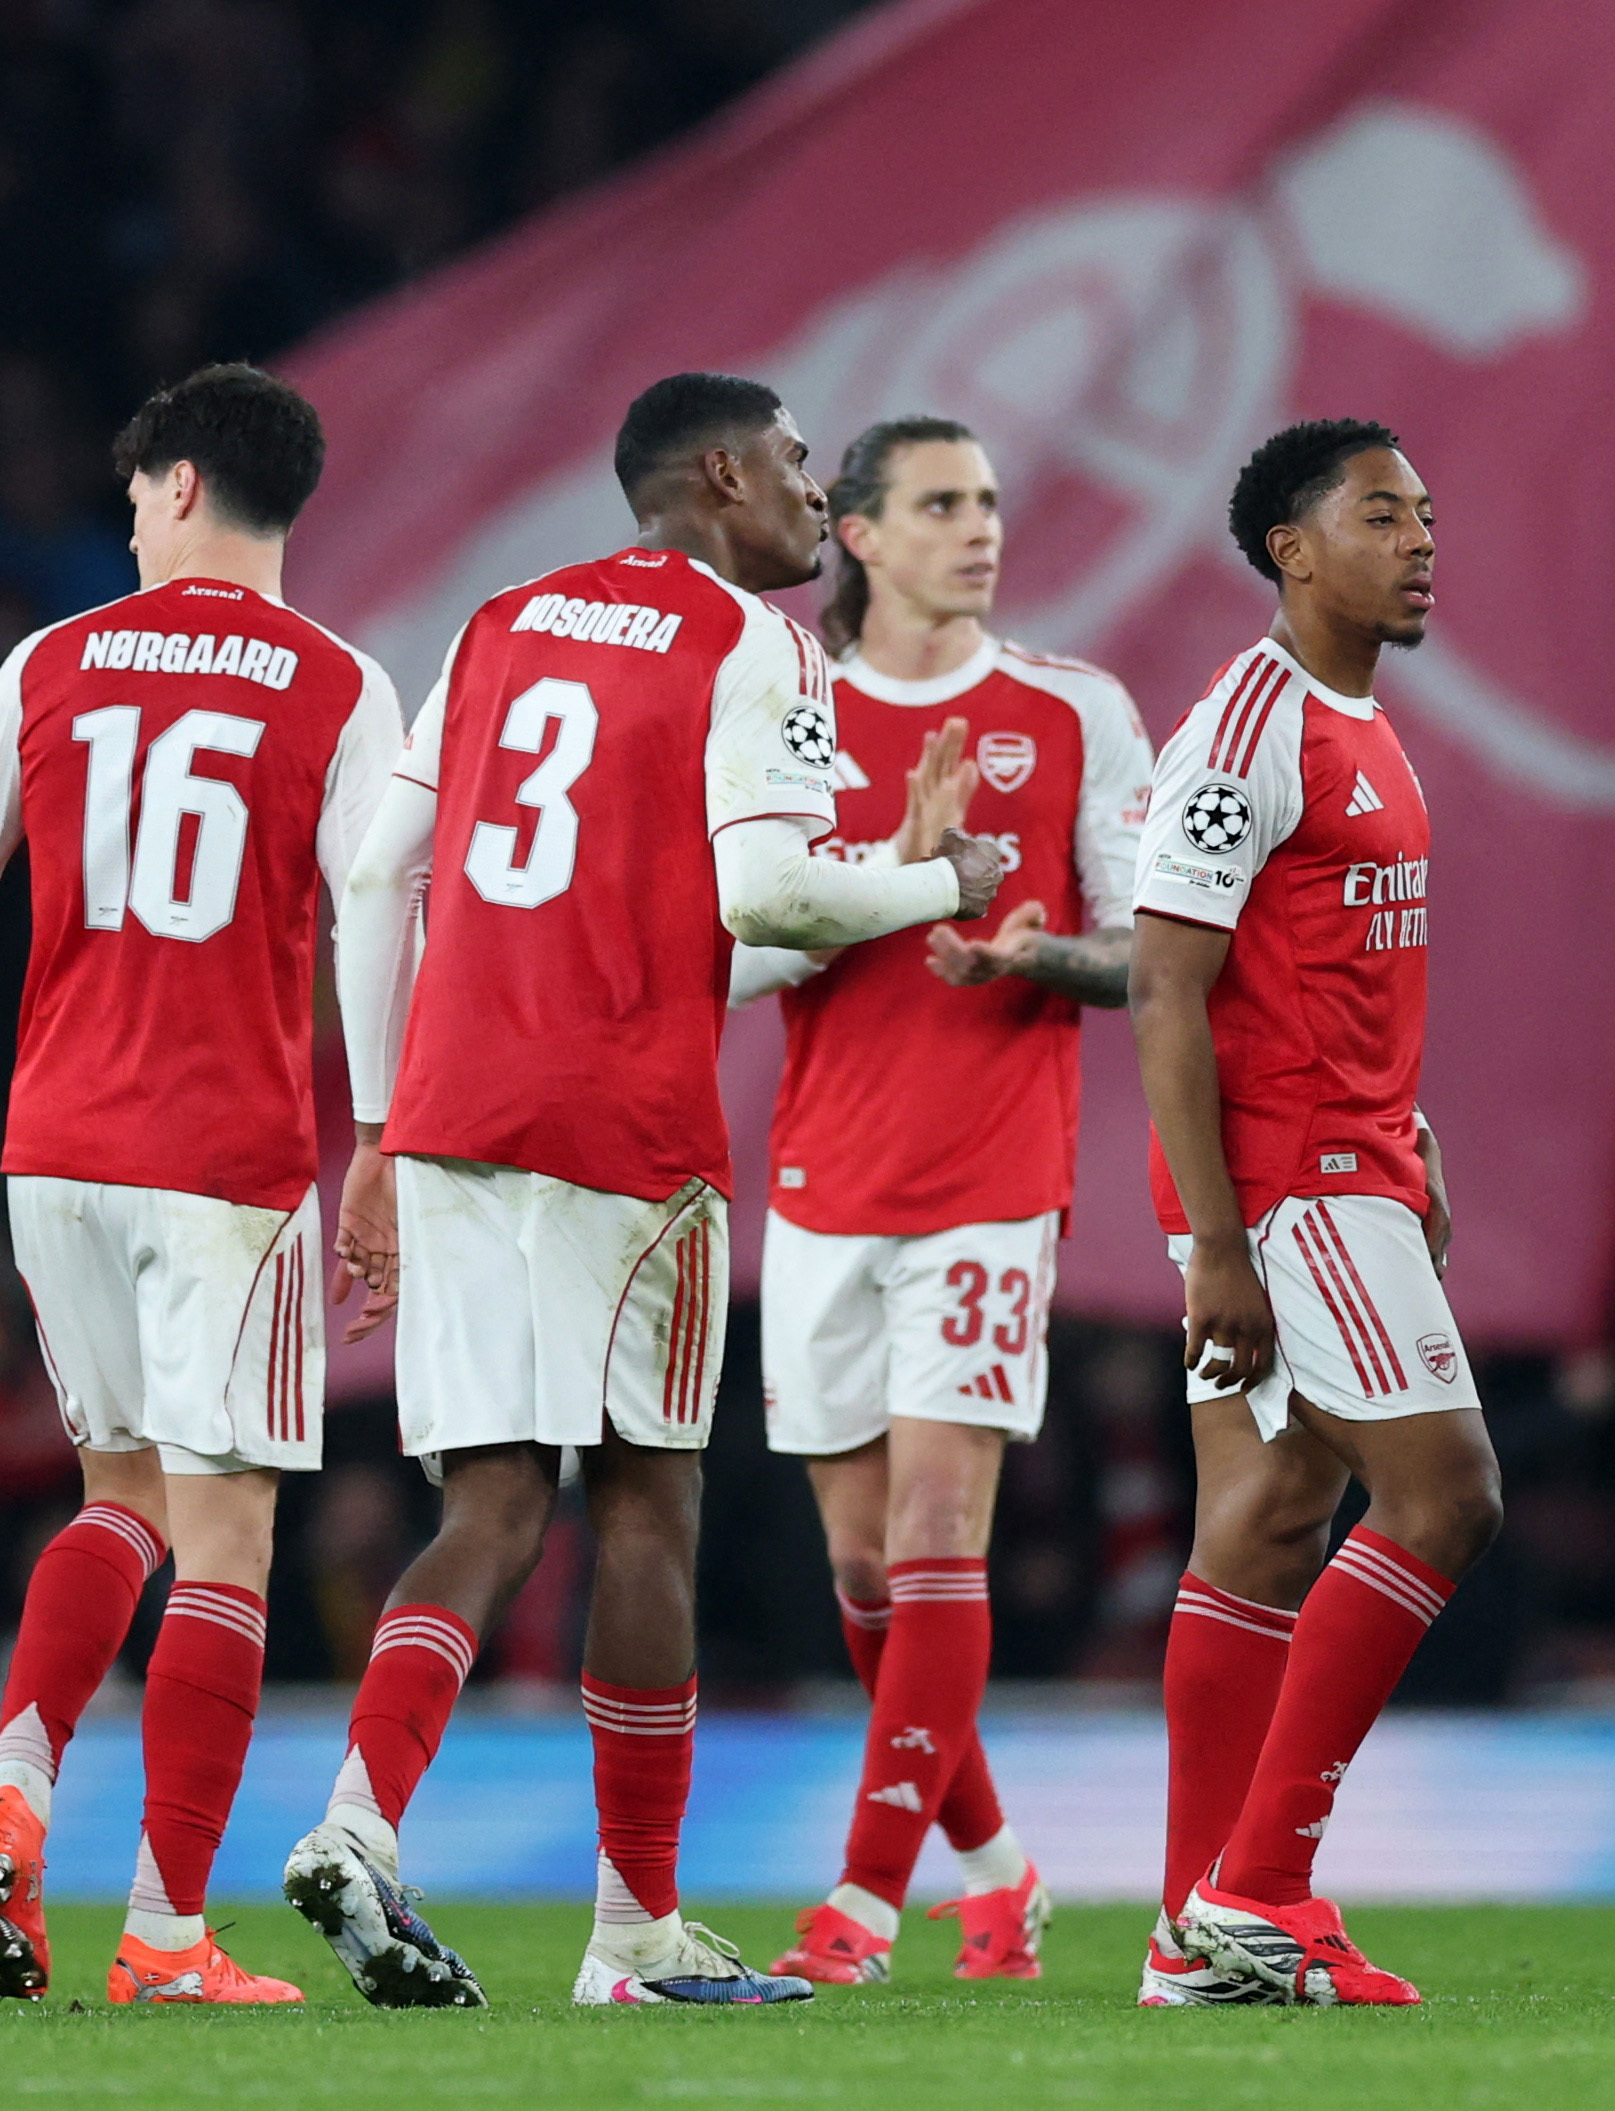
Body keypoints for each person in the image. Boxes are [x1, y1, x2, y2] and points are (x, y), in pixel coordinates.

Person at [278, 373, 1002, 2010]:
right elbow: (772, 892)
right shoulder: (757, 648)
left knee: (490, 1508)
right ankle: (637, 1936)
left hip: (459, 1114)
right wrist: (928, 878)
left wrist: (380, 1127)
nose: (821, 501)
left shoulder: (500, 621)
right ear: (722, 474)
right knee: (645, 1506)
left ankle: (357, 1821)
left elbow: (378, 871)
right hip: (622, 1138)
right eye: (805, 467)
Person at [0, 363, 400, 2006]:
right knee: (229, 1540)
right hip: (223, 1162)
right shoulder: (338, 683)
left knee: (116, 1494)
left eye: (132, 496)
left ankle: (18, 1787)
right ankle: (168, 1935)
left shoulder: (50, 661)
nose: (124, 523)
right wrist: (386, 1138)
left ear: (182, 484)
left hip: (54, 1153)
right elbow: (377, 916)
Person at [730, 416, 1153, 1986]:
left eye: (986, 502)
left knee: (931, 1532)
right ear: (856, 532)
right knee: (861, 1575)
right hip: (827, 1181)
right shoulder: (785, 711)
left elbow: (1151, 948)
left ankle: (861, 1902)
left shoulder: (1073, 708)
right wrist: (891, 881)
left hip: (990, 1181)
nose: (980, 529)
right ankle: (1000, 1867)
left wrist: (1027, 950)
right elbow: (730, 952)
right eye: (940, 505)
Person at [1126, 419, 1494, 2008]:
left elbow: (1321, 968)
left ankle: (1186, 1934)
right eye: (1380, 514)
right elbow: (1163, 986)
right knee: (1446, 1496)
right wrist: (1220, 1238)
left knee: (1269, 1528)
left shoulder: (1363, 721)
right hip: (1283, 1185)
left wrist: (1409, 1131)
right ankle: (1261, 1889)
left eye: (1424, 511)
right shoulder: (1245, 730)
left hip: (1350, 1160)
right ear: (1294, 548)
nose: (1419, 538)